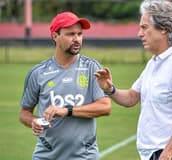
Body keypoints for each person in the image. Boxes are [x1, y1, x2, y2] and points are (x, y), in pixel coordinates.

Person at [94, 0, 172, 160]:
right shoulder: (154, 62)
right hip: (156, 154)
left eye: (144, 27)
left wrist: (166, 155)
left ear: (164, 28)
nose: (139, 33)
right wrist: (110, 89)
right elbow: (131, 97)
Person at [19, 11, 111, 160]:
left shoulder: (91, 68)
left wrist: (66, 110)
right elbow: (24, 113)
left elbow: (105, 107)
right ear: (55, 36)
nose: (77, 39)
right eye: (70, 34)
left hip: (85, 156)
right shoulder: (38, 73)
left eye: (80, 34)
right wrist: (33, 121)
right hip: (46, 155)